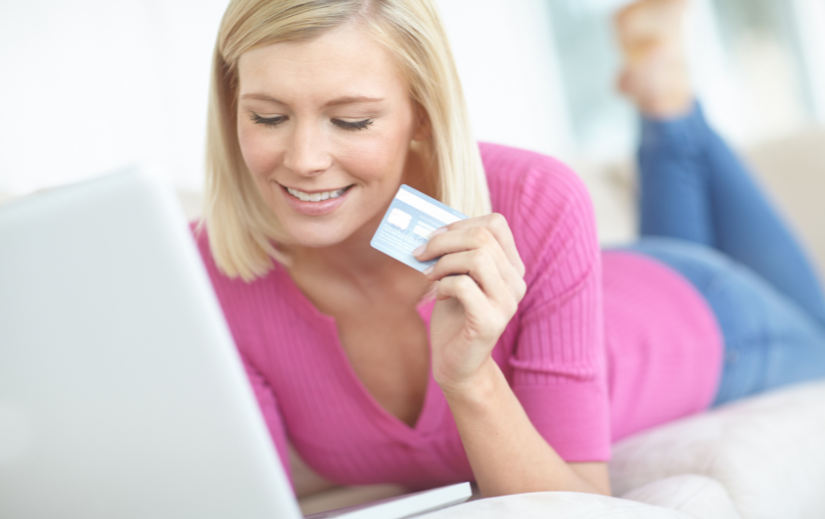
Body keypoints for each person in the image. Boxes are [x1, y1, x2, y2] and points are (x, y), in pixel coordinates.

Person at [193, 0, 825, 500]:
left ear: (421, 112)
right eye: (268, 117)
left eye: (352, 121)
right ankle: (660, 81)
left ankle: (669, 105)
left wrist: (469, 378)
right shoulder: (204, 273)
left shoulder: (533, 195)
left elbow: (573, 503)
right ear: (232, 108)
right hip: (621, 287)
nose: (303, 161)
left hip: (705, 315)